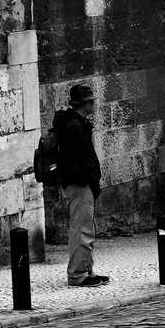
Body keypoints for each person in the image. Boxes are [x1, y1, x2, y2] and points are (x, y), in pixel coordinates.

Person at [54, 84, 106, 287]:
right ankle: (77, 275)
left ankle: (86, 270)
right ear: (85, 103)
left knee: (87, 228)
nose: (94, 103)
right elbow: (68, 160)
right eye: (91, 100)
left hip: (84, 183)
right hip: (78, 185)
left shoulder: (78, 123)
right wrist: (83, 178)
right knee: (81, 229)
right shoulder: (74, 126)